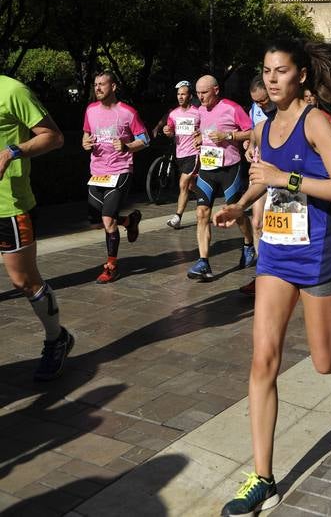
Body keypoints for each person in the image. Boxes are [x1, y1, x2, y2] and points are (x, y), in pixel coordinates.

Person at [214, 40, 331, 516]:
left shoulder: (316, 122)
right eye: (266, 71)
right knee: (263, 362)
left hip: (318, 256)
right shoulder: (264, 126)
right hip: (275, 255)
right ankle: (263, 478)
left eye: (281, 71)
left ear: (300, 77)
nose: (271, 79)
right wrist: (241, 204)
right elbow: (264, 175)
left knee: (324, 361)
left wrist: (283, 181)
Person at [0, 75, 74, 380]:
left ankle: (57, 338)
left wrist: (12, 151)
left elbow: (54, 137)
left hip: (9, 206)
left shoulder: (11, 90)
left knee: (24, 281)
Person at [83, 71, 149, 284]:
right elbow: (86, 134)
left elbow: (145, 139)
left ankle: (111, 266)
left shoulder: (127, 112)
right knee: (99, 219)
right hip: (97, 173)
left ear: (113, 87)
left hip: (120, 170)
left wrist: (127, 145)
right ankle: (130, 221)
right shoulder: (91, 110)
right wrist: (86, 143)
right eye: (95, 84)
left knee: (108, 220)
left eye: (102, 84)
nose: (98, 88)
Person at [187, 75, 254, 281]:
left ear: (216, 90)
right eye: (198, 93)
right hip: (207, 168)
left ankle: (248, 244)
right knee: (201, 213)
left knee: (235, 212)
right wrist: (199, 138)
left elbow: (252, 132)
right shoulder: (199, 110)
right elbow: (201, 131)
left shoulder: (232, 108)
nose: (200, 97)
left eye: (204, 92)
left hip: (229, 169)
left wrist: (228, 136)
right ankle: (203, 262)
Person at [240, 77, 277, 296]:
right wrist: (250, 146)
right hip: (261, 171)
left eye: (263, 101)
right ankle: (261, 274)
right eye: (257, 102)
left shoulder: (287, 111)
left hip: (283, 176)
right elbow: (255, 130)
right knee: (257, 222)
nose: (261, 105)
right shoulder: (257, 109)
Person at [164, 81, 202, 229]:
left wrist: (201, 134)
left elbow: (206, 127)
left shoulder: (198, 112)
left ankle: (177, 217)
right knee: (191, 185)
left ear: (190, 96)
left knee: (183, 183)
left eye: (183, 94)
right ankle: (205, 196)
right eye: (178, 94)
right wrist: (168, 132)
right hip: (180, 154)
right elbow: (170, 130)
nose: (180, 97)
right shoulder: (173, 114)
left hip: (194, 152)